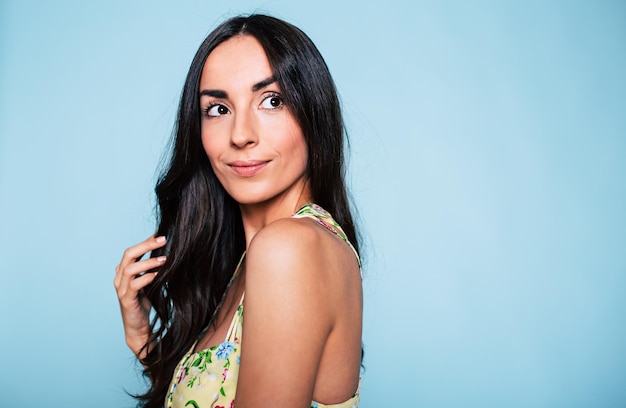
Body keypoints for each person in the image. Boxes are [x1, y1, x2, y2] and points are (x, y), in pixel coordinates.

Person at [114, 14, 363, 408]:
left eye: (272, 101)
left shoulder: (289, 248)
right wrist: (141, 336)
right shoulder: (250, 263)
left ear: (313, 111)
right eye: (217, 108)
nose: (241, 135)